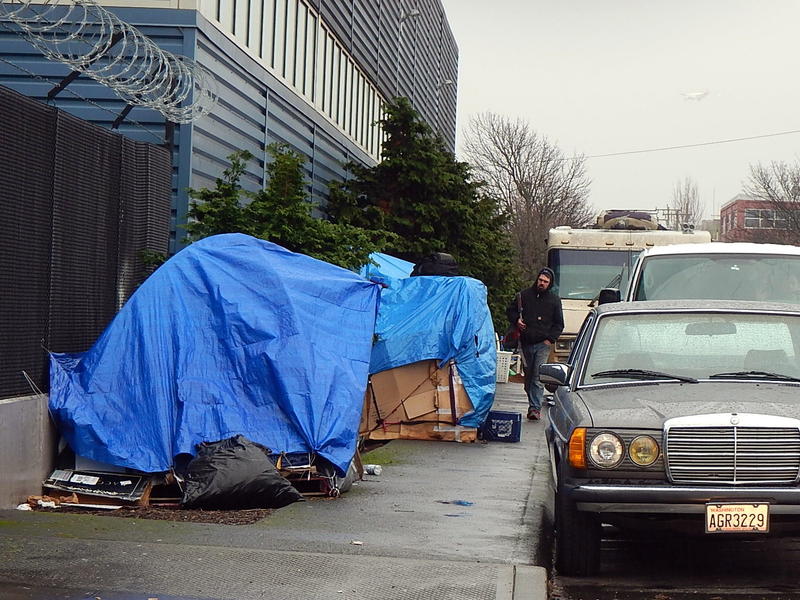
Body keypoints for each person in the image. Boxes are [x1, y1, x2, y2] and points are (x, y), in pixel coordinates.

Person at [506, 267, 564, 420]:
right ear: (536, 279)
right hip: (525, 343)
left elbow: (559, 324)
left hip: (543, 344)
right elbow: (510, 311)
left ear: (550, 284)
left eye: (545, 282)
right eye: (540, 280)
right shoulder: (524, 296)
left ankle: (535, 408)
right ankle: (532, 402)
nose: (542, 283)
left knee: (538, 378)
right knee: (529, 377)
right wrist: (516, 320)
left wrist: (550, 339)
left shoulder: (554, 301)